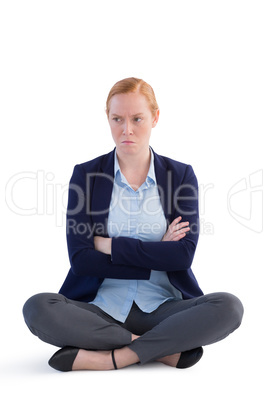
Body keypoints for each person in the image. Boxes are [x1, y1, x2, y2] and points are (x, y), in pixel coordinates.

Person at [23, 77, 244, 372]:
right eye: (117, 119)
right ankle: (161, 348)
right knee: (38, 307)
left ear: (154, 118)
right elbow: (81, 261)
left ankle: (112, 356)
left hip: (164, 308)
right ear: (108, 119)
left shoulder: (180, 176)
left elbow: (182, 256)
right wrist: (157, 253)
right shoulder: (86, 175)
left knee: (228, 307)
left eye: (137, 119)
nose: (126, 130)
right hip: (99, 309)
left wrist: (110, 246)